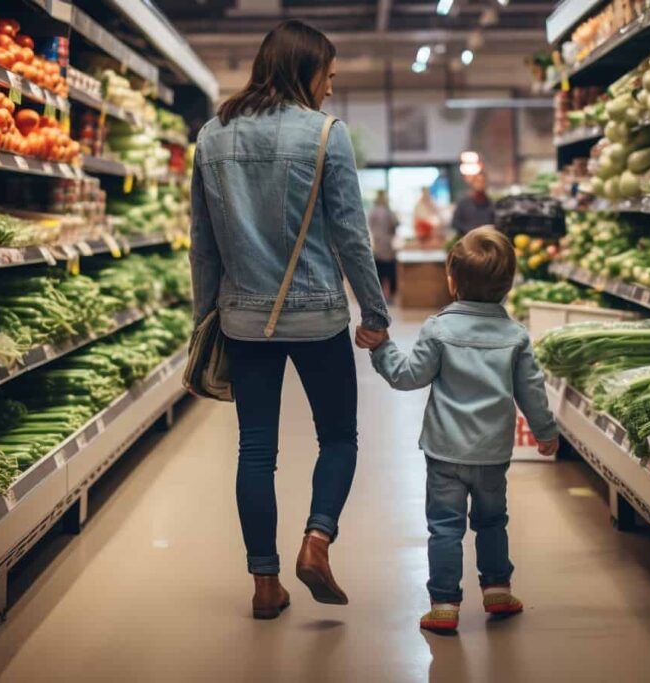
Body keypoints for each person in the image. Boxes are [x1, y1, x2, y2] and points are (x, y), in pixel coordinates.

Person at [190, 20, 390, 620]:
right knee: (339, 437)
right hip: (319, 318)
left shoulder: (211, 137)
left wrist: (208, 318)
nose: (330, 89)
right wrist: (374, 314)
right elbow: (352, 237)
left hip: (243, 320)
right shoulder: (327, 135)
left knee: (256, 451)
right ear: (305, 71)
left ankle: (265, 585)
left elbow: (203, 245)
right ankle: (316, 541)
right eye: (327, 75)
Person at [355, 226, 559, 633]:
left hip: (445, 453)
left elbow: (408, 376)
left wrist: (381, 348)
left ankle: (444, 603)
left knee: (444, 527)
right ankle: (497, 587)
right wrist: (545, 431)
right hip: (492, 454)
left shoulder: (439, 330)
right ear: (508, 284)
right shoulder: (516, 337)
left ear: (452, 282)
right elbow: (531, 390)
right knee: (492, 521)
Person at [368, 190, 399, 300]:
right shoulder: (388, 211)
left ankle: (380, 295)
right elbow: (395, 225)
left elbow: (369, 227)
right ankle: (390, 294)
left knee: (379, 272)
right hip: (388, 245)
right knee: (390, 272)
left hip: (377, 245)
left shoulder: (372, 212)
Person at [451, 172, 495, 236]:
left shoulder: (491, 204)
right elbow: (455, 223)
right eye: (477, 181)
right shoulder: (463, 204)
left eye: (482, 181)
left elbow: (495, 223)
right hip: (467, 240)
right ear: (472, 183)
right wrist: (470, 231)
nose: (480, 184)